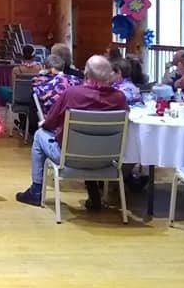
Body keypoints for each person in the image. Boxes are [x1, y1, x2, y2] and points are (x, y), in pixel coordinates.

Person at [16, 55, 127, 210]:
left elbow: (50, 123)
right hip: (106, 160)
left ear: (86, 74)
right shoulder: (120, 98)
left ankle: (36, 190)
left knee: (40, 134)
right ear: (110, 74)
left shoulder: (73, 94)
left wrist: (46, 125)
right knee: (93, 141)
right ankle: (94, 194)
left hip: (69, 158)